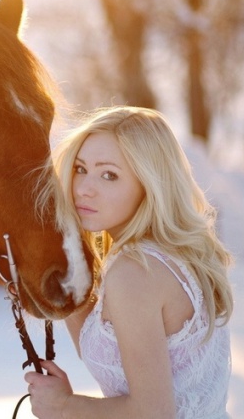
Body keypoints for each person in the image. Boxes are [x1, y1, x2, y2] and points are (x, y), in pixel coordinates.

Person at [25, 106, 233, 418]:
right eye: (80, 169)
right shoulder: (170, 255)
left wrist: (65, 407)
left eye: (109, 175)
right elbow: (116, 357)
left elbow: (153, 413)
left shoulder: (134, 272)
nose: (84, 188)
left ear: (150, 184)